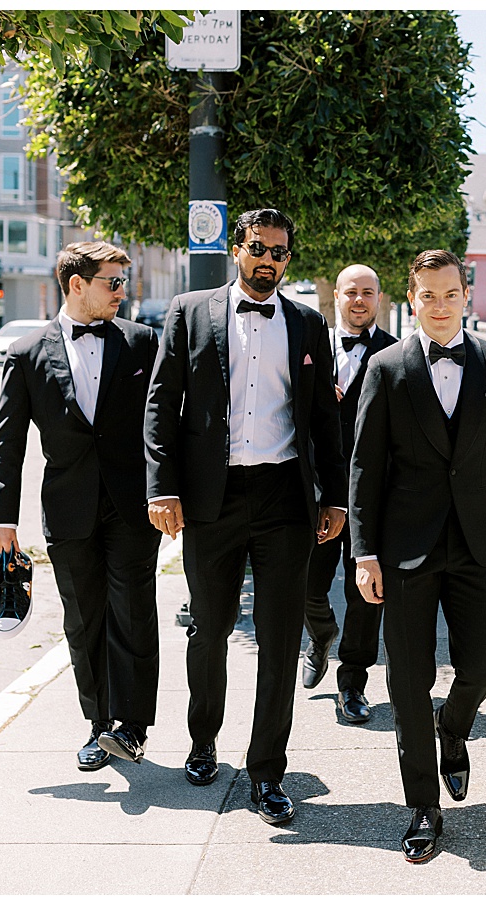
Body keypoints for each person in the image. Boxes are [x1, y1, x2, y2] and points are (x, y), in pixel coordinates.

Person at [144, 208, 346, 826]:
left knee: (280, 637)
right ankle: (203, 739)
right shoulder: (189, 311)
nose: (269, 261)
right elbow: (160, 403)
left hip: (286, 497)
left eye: (280, 253)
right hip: (212, 497)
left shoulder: (309, 324)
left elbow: (322, 421)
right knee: (209, 625)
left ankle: (267, 771)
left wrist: (334, 497)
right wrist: (162, 488)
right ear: (238, 249)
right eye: (259, 248)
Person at [351, 249, 486, 863]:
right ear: (412, 300)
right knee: (408, 682)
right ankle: (422, 806)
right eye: (426, 295)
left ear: (466, 295)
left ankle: (453, 730)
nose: (438, 305)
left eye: (449, 293)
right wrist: (364, 551)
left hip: (479, 543)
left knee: (484, 666)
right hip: (404, 548)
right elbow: (364, 468)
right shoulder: (387, 368)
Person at [0, 241, 161, 772]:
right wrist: (1, 517)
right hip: (67, 507)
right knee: (83, 620)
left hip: (132, 507)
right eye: (111, 282)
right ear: (76, 284)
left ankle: (132, 727)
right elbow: (7, 441)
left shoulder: (142, 342)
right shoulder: (26, 353)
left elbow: (162, 428)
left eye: (123, 283)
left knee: (132, 612)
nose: (120, 293)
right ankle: (99, 724)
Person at [300, 264, 397, 724]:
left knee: (366, 595)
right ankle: (320, 634)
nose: (359, 300)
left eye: (368, 293)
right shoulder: (308, 347)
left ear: (380, 299)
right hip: (315, 493)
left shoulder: (396, 354)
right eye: (351, 292)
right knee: (304, 585)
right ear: (335, 296)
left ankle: (352, 685)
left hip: (373, 498)